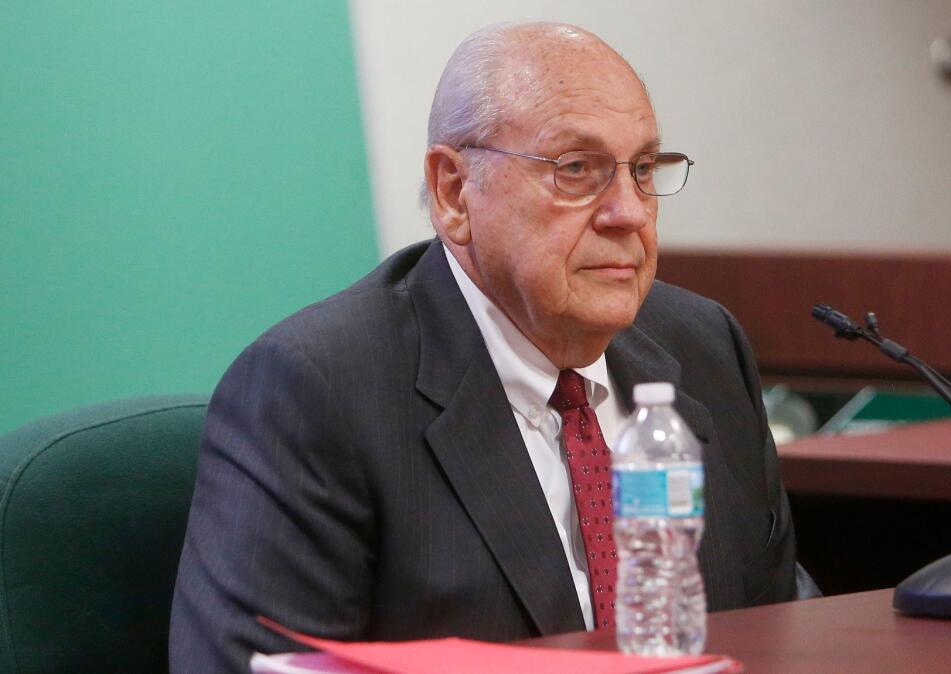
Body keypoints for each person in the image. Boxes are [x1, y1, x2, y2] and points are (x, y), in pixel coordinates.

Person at [169, 21, 815, 671]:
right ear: (454, 192)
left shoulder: (704, 348)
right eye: (576, 169)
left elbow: (780, 619)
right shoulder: (319, 388)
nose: (630, 212)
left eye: (643, 170)